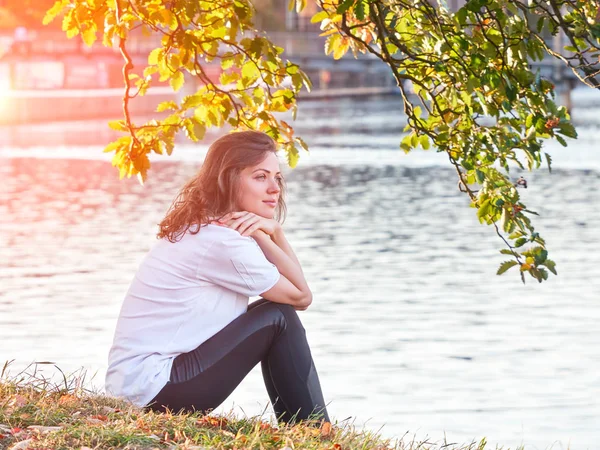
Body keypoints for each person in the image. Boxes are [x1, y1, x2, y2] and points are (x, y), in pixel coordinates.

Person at [105, 130, 330, 425]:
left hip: (137, 387)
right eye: (260, 177)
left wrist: (270, 232)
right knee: (279, 316)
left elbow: (297, 293)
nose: (274, 189)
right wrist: (271, 233)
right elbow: (302, 297)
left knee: (274, 311)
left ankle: (307, 430)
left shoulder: (205, 229)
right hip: (156, 390)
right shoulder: (222, 242)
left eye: (277, 178)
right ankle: (314, 431)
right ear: (229, 178)